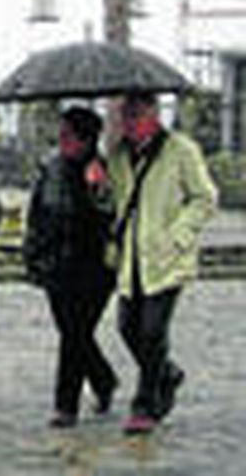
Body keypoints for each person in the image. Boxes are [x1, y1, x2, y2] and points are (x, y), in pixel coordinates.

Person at [101, 92, 217, 434]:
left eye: (134, 115)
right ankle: (166, 374)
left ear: (153, 115)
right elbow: (115, 201)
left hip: (166, 259)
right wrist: (98, 185)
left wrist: (177, 235)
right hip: (131, 258)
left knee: (152, 332)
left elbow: (205, 198)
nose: (127, 123)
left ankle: (146, 405)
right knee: (127, 327)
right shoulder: (119, 154)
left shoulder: (181, 149)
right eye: (124, 115)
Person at [23, 106, 118, 427]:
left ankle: (66, 406)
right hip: (56, 262)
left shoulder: (107, 170)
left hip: (94, 268)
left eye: (69, 136)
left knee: (75, 334)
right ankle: (103, 379)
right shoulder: (50, 167)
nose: (62, 141)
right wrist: (33, 253)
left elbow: (113, 218)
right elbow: (37, 213)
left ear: (88, 139)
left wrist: (98, 190)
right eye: (60, 134)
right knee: (72, 332)